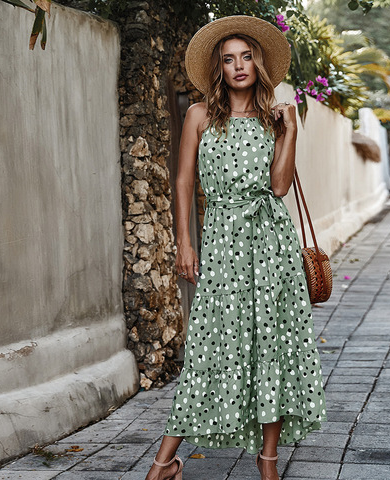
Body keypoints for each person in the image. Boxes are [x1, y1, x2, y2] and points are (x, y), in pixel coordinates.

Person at [145, 15, 326, 480]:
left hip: (271, 244)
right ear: (219, 69)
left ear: (258, 64)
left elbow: (280, 186)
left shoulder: (273, 118)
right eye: (229, 59)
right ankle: (165, 463)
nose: (239, 65)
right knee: (209, 344)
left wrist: (289, 133)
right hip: (222, 238)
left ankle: (268, 460)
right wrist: (185, 242)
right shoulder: (200, 115)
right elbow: (183, 180)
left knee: (273, 344)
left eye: (246, 56)